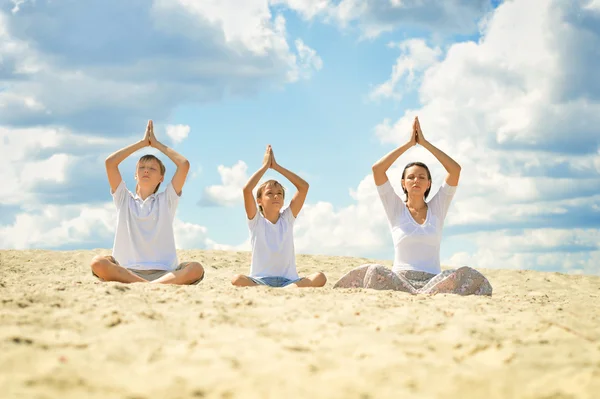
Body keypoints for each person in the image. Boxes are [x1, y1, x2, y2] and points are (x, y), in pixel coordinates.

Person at [334, 117, 492, 295]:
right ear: (403, 183)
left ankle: (423, 293)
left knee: (467, 273)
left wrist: (424, 143)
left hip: (434, 282)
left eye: (422, 177)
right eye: (411, 177)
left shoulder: (437, 208)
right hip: (400, 281)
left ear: (429, 184)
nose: (416, 180)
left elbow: (454, 170)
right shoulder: (395, 208)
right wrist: (409, 144)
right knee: (375, 271)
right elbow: (378, 169)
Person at [90, 120, 205, 285]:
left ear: (161, 178)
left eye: (152, 168)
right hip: (126, 272)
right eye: (141, 167)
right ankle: (146, 286)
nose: (146, 170)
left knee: (196, 268)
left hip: (165, 274)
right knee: (97, 263)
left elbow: (183, 164)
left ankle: (150, 286)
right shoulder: (124, 198)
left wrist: (156, 145)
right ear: (135, 175)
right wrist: (142, 144)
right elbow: (110, 163)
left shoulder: (167, 200)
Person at [231, 145, 327, 288]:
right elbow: (247, 190)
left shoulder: (287, 219)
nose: (275, 196)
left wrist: (276, 167)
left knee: (320, 277)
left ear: (283, 200)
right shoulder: (256, 221)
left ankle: (286, 289)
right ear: (259, 201)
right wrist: (265, 167)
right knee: (237, 279)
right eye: (269, 193)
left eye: (279, 193)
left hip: (289, 281)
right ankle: (274, 290)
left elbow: (304, 187)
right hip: (260, 280)